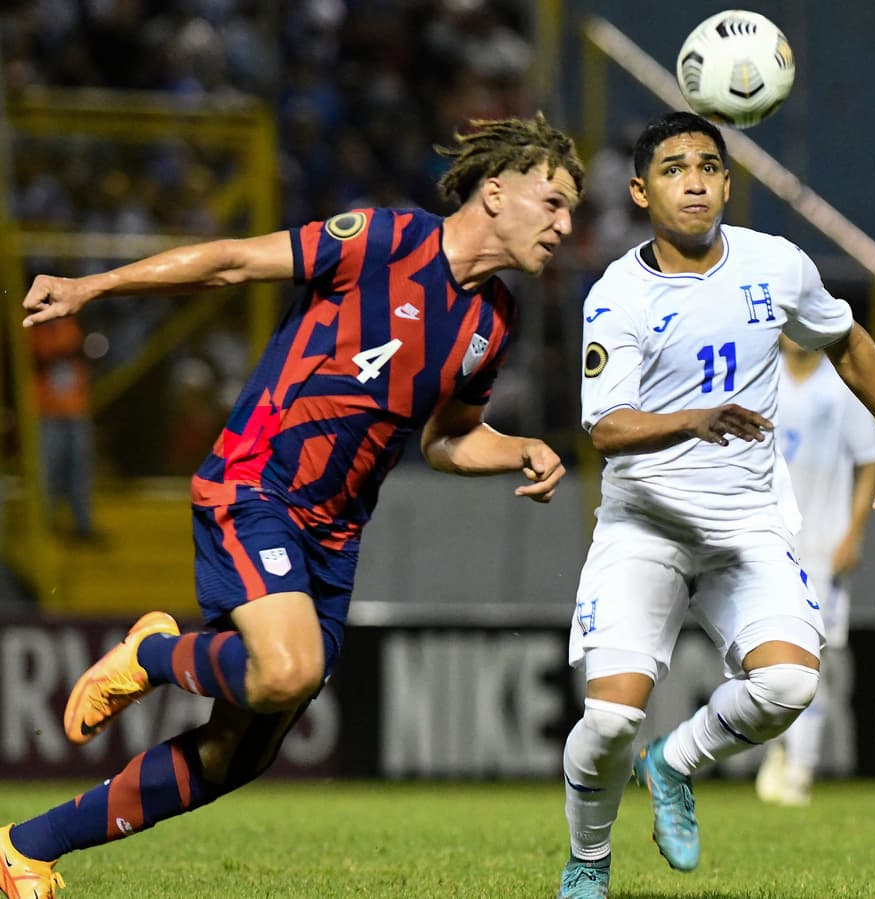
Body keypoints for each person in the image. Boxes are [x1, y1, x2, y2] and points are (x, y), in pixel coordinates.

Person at [2, 113, 583, 899]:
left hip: (335, 538)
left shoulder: (492, 322)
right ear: (494, 193)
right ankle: (151, 656)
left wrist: (516, 447)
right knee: (287, 669)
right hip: (256, 483)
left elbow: (449, 439)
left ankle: (25, 849)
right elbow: (236, 261)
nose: (566, 225)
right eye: (552, 203)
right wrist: (94, 285)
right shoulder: (386, 240)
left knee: (236, 755)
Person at [555, 111, 875, 899]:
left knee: (791, 686)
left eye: (708, 165)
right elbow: (607, 427)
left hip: (748, 526)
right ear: (639, 189)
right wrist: (690, 419)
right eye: (672, 168)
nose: (694, 180)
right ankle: (588, 861)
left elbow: (848, 341)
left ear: (729, 183)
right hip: (646, 527)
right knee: (609, 723)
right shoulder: (618, 293)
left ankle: (676, 763)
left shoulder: (779, 265)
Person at [752, 334, 875, 807]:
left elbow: (871, 459)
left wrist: (855, 531)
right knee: (769, 655)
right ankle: (779, 754)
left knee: (813, 660)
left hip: (822, 544)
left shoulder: (840, 384)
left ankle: (801, 769)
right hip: (768, 540)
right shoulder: (760, 377)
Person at [28, 316, 101, 542]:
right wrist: (63, 352)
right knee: (47, 472)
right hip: (46, 412)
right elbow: (36, 357)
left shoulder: (71, 323)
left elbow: (85, 350)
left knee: (80, 471)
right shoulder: (31, 327)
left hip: (75, 409)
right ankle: (46, 527)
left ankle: (82, 526)